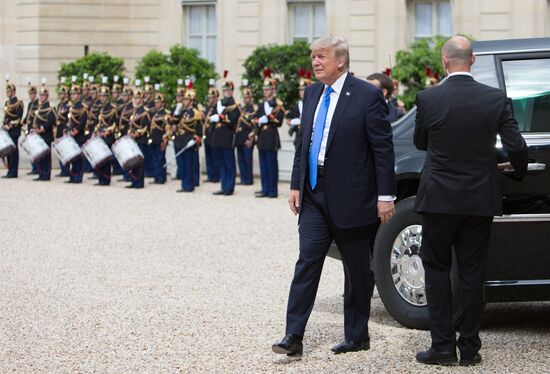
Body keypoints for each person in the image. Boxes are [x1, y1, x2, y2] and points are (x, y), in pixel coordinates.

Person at [272, 36, 396, 356]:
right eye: (313, 57)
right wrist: (297, 185)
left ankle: (357, 335)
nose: (315, 62)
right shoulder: (312, 92)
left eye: (321, 57)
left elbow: (383, 150)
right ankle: (293, 335)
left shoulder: (367, 95)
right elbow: (304, 142)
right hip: (314, 193)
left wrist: (386, 195)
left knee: (356, 269)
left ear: (340, 61)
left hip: (353, 197)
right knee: (307, 261)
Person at [413, 36, 528, 367]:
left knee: (436, 270)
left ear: (444, 61)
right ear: (473, 60)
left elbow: (421, 142)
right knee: (472, 273)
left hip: (437, 198)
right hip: (478, 199)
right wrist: (518, 172)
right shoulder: (494, 98)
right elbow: (516, 146)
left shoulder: (428, 97)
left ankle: (442, 348)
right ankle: (470, 349)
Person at [253, 70, 285, 198]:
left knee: (271, 165)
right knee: (263, 165)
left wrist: (268, 119)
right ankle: (264, 188)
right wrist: (257, 121)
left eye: (268, 89)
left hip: (271, 136)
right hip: (262, 137)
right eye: (264, 89)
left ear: (273, 90)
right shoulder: (261, 104)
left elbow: (279, 121)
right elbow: (255, 118)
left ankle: (272, 191)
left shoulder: (278, 105)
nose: (265, 91)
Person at [211, 75, 240, 196]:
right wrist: (215, 116)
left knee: (229, 163)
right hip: (218, 137)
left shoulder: (234, 105)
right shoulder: (220, 103)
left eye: (228, 90)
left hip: (227, 137)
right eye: (224, 90)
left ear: (232, 91)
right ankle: (223, 186)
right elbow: (211, 116)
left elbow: (233, 120)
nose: (226, 92)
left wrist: (220, 117)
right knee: (221, 163)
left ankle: (229, 187)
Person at [174, 85, 203, 193]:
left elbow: (199, 129)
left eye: (186, 99)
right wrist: (176, 113)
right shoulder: (183, 111)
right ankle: (184, 184)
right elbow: (175, 123)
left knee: (189, 164)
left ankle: (189, 185)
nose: (184, 101)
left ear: (191, 101)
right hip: (181, 140)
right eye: (184, 99)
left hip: (189, 141)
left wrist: (195, 139)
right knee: (182, 164)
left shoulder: (196, 113)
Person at [31, 83, 56, 181]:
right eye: (40, 95)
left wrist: (43, 128)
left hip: (46, 134)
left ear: (47, 96)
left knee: (46, 156)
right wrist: (35, 128)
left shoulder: (50, 107)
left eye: (43, 95)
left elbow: (51, 120)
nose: (41, 97)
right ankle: (41, 173)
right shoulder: (40, 107)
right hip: (39, 135)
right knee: (40, 156)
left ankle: (46, 174)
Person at [95, 85, 118, 186]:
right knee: (101, 159)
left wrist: (107, 132)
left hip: (108, 137)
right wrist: (97, 131)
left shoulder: (112, 108)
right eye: (100, 96)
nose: (102, 98)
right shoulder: (102, 108)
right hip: (101, 136)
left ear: (107, 97)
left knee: (107, 160)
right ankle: (101, 179)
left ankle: (106, 179)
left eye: (104, 96)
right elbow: (99, 123)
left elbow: (114, 124)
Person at [127, 87, 150, 189]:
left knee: (139, 163)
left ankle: (139, 183)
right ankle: (134, 181)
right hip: (133, 139)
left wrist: (136, 134)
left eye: (139, 98)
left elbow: (145, 126)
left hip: (140, 139)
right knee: (133, 162)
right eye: (136, 98)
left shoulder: (144, 111)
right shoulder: (135, 110)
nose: (137, 100)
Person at [2, 77, 24, 178]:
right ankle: (10, 170)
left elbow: (18, 118)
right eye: (7, 91)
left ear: (14, 91)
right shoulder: (7, 103)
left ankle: (14, 172)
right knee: (8, 152)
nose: (8, 93)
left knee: (14, 152)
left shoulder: (19, 103)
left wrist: (10, 125)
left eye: (10, 91)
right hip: (7, 131)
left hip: (14, 130)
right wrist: (3, 124)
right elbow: (6, 116)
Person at [235, 81, 256, 185]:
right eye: (244, 97)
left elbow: (254, 125)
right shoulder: (242, 109)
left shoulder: (253, 109)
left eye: (247, 97)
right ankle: (243, 178)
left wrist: (252, 138)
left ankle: (248, 179)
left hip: (248, 137)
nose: (245, 99)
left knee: (247, 160)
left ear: (250, 98)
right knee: (241, 159)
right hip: (240, 137)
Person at [66, 84, 88, 183]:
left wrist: (77, 131)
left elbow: (83, 121)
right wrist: (68, 130)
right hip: (72, 135)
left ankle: (78, 177)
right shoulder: (72, 107)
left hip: (79, 135)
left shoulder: (83, 108)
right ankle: (72, 176)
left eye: (75, 94)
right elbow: (70, 121)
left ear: (79, 95)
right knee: (73, 157)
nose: (73, 96)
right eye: (72, 94)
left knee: (79, 158)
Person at [149, 92, 171, 184]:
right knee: (154, 159)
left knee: (160, 159)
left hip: (161, 139)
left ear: (162, 103)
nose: (156, 104)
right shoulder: (153, 112)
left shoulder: (166, 114)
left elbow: (168, 128)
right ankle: (156, 177)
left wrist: (166, 139)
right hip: (154, 139)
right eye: (155, 102)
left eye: (158, 102)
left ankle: (161, 178)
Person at [287, 70, 312, 150]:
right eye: (300, 90)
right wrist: (290, 121)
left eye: (303, 89)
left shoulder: (313, 103)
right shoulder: (297, 104)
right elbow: (289, 117)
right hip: (298, 137)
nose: (301, 92)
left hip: (309, 137)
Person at [203, 81, 220, 183]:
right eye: (209, 97)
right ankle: (210, 175)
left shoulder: (218, 107)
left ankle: (216, 176)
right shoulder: (208, 108)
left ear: (215, 98)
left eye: (211, 97)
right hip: (207, 135)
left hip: (214, 134)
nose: (209, 99)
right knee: (208, 157)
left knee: (215, 157)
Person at [54, 78, 70, 177]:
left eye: (62, 93)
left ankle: (66, 170)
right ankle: (62, 169)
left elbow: (67, 118)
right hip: (59, 129)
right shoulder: (60, 104)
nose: (60, 95)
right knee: (60, 150)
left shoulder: (68, 105)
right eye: (60, 93)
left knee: (65, 150)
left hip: (64, 128)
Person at [23, 80, 39, 174]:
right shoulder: (30, 104)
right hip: (29, 128)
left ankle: (37, 168)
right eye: (30, 94)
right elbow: (28, 116)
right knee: (31, 150)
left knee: (36, 150)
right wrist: (22, 122)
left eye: (32, 94)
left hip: (34, 129)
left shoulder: (38, 104)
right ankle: (34, 167)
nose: (31, 96)